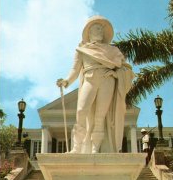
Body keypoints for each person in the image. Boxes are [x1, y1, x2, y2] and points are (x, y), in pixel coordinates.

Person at [57, 15, 135, 154]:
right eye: (96, 28)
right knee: (81, 111)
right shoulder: (82, 50)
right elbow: (75, 69)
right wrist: (67, 81)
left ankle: (95, 148)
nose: (100, 31)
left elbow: (125, 69)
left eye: (101, 29)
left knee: (100, 116)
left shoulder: (113, 50)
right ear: (89, 32)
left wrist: (115, 74)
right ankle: (77, 147)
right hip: (89, 79)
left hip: (107, 81)